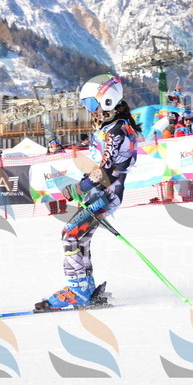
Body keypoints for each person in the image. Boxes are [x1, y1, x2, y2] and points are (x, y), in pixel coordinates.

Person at [35, 74, 141, 311]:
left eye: (92, 104)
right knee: (79, 237)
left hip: (107, 194)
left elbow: (106, 169)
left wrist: (78, 188)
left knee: (70, 234)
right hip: (100, 193)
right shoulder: (110, 127)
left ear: (108, 101)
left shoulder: (118, 131)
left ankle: (77, 290)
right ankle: (86, 288)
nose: (89, 110)